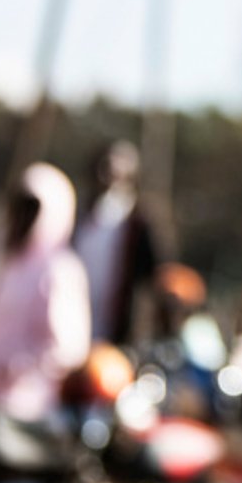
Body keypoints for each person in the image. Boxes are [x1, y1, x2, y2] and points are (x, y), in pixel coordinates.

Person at [0, 161, 92, 422]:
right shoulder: (9, 264)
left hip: (25, 412)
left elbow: (68, 349)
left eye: (31, 209)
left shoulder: (59, 270)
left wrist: (12, 366)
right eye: (19, 208)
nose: (22, 217)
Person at [72, 138, 164, 346]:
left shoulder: (139, 222)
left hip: (118, 336)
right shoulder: (81, 218)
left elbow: (153, 278)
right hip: (77, 328)